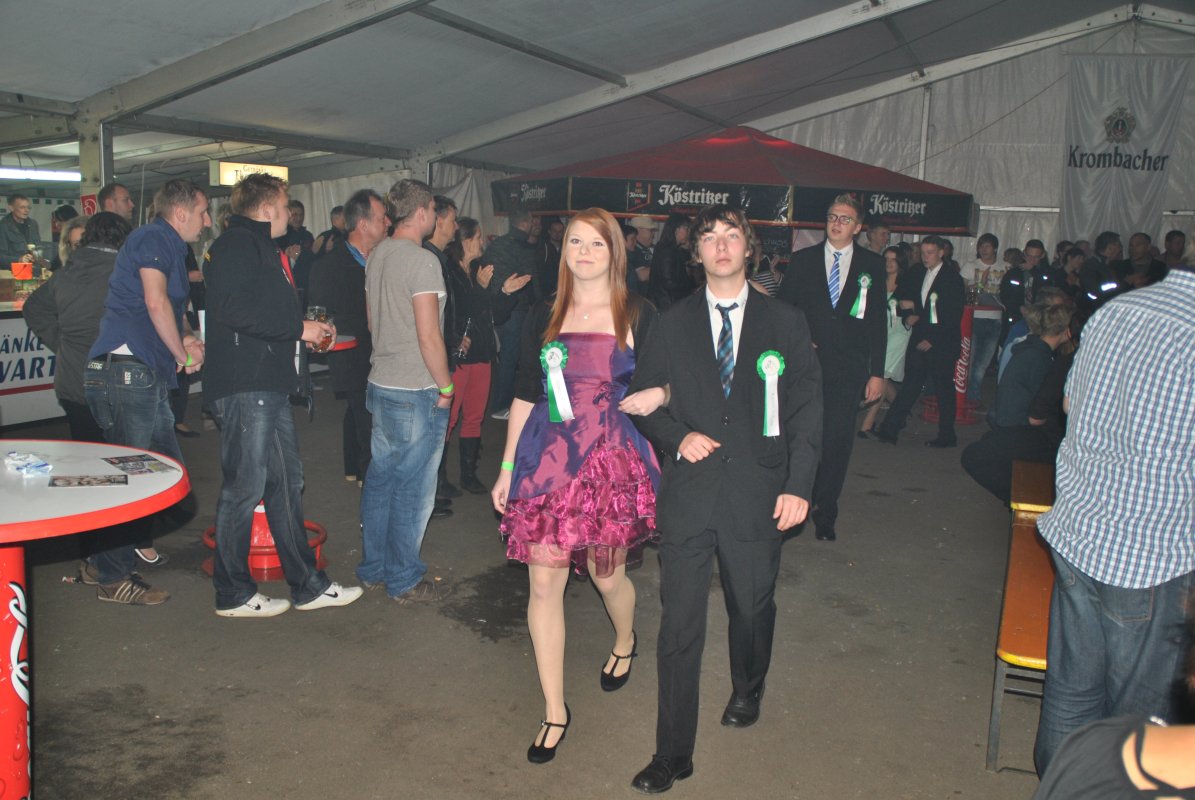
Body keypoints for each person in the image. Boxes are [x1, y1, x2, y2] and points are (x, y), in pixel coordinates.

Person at [627, 204, 822, 794]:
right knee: (678, 626)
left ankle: (748, 684)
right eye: (709, 237)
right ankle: (672, 753)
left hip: (758, 491)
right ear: (697, 253)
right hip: (691, 492)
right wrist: (677, 436)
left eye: (731, 235)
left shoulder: (785, 321)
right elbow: (644, 398)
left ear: (749, 248)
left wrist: (799, 484)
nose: (720, 245)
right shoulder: (671, 321)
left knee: (751, 608)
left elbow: (807, 408)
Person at [491, 207, 661, 765]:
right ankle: (554, 709)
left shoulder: (639, 311)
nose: (583, 252)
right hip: (546, 459)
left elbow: (669, 380)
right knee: (544, 586)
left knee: (607, 576)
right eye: (574, 242)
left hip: (609, 460)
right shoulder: (542, 312)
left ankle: (625, 639)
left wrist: (659, 396)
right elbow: (524, 391)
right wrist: (507, 468)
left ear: (615, 251)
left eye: (595, 243)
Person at [1031, 255, 1195, 775]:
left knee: (1072, 694)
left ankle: (1064, 785)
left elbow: (1069, 404)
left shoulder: (1119, 309)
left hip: (1079, 529)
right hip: (1152, 554)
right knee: (1140, 719)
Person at [203, 173, 361, 618]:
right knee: (244, 488)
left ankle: (308, 586)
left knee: (286, 483)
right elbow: (232, 310)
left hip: (265, 384)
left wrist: (301, 333)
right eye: (286, 203)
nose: (290, 212)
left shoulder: (257, 246)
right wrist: (299, 328)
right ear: (268, 206)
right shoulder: (238, 245)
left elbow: (259, 309)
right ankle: (232, 593)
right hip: (246, 385)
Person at [82, 179, 210, 605]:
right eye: (203, 212)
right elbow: (155, 303)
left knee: (160, 472)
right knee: (134, 478)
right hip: (126, 370)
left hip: (140, 373)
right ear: (181, 213)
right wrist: (182, 354)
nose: (207, 221)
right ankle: (113, 577)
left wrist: (186, 337)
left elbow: (173, 307)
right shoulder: (152, 238)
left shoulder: (171, 246)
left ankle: (100, 561)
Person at [356, 178, 456, 604]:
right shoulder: (422, 261)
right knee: (412, 489)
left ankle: (374, 568)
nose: (434, 217)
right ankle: (403, 578)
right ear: (421, 212)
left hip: (381, 381)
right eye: (432, 210)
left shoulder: (377, 254)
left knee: (381, 479)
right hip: (416, 388)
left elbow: (372, 322)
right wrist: (446, 385)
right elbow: (429, 335)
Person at [778, 194, 886, 541]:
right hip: (805, 367)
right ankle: (796, 506)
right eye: (832, 216)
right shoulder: (803, 260)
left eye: (845, 218)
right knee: (801, 437)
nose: (837, 223)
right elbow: (783, 311)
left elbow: (877, 322)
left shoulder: (872, 265)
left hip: (849, 368)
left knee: (837, 442)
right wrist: (798, 340)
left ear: (858, 227)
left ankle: (826, 512)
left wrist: (877, 372)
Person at [1033, 591, 1195, 799]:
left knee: (1072, 699)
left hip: (1086, 570)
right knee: (1137, 708)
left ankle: (1065, 784)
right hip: (1153, 580)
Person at [24, 212, 131, 441]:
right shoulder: (127, 274)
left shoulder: (63, 276)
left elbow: (33, 308)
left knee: (88, 448)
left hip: (74, 382)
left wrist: (61, 342)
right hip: (113, 381)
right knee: (122, 452)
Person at [308, 189, 389, 486]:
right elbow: (320, 318)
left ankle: (356, 469)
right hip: (353, 356)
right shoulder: (328, 266)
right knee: (368, 424)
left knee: (362, 418)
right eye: (382, 218)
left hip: (384, 356)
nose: (388, 223)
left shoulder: (386, 258)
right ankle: (370, 490)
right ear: (363, 224)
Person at [443, 217, 527, 493]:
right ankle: (439, 479)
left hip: (481, 352)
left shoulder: (480, 269)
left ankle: (468, 475)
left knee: (474, 416)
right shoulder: (447, 270)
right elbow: (458, 313)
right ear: (466, 240)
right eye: (478, 237)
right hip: (458, 355)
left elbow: (493, 314)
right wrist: (480, 288)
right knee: (448, 419)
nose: (482, 242)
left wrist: (505, 292)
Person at [876, 236, 965, 448]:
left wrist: (933, 339)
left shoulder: (952, 278)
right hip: (920, 338)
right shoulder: (917, 272)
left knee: (944, 389)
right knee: (911, 385)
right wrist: (908, 314)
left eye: (930, 253)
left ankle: (947, 435)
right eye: (923, 253)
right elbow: (901, 298)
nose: (925, 257)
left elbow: (952, 314)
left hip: (942, 342)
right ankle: (890, 429)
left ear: (941, 253)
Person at [487, 207, 537, 420]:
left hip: (496, 305)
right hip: (516, 308)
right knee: (510, 357)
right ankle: (500, 406)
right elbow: (531, 281)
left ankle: (498, 403)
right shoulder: (524, 247)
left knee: (504, 357)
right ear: (526, 223)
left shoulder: (496, 244)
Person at [859, 245, 911, 437]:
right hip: (880, 332)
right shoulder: (875, 281)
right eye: (886, 259)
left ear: (900, 262)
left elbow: (919, 305)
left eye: (893, 259)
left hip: (899, 333)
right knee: (882, 373)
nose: (889, 263)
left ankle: (867, 424)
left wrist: (913, 308)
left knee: (882, 374)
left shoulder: (907, 283)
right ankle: (900, 411)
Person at [963, 233, 1003, 404]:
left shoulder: (1004, 267)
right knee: (970, 359)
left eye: (987, 246)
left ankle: (973, 395)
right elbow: (963, 290)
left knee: (983, 361)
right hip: (974, 317)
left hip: (995, 318)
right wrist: (980, 283)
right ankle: (964, 394)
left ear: (995, 248)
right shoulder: (971, 265)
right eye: (981, 246)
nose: (983, 249)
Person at [646, 213, 694, 310]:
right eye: (686, 228)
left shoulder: (670, 248)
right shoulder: (667, 250)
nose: (688, 233)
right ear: (676, 229)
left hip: (667, 303)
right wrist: (689, 285)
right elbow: (669, 281)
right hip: (666, 304)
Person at [1, 194, 43, 265]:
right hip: (12, 269)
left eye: (28, 207)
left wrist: (37, 257)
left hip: (33, 267)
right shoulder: (3, 226)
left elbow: (38, 247)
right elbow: (1, 256)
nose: (26, 210)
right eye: (22, 207)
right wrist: (18, 259)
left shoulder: (33, 224)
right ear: (11, 208)